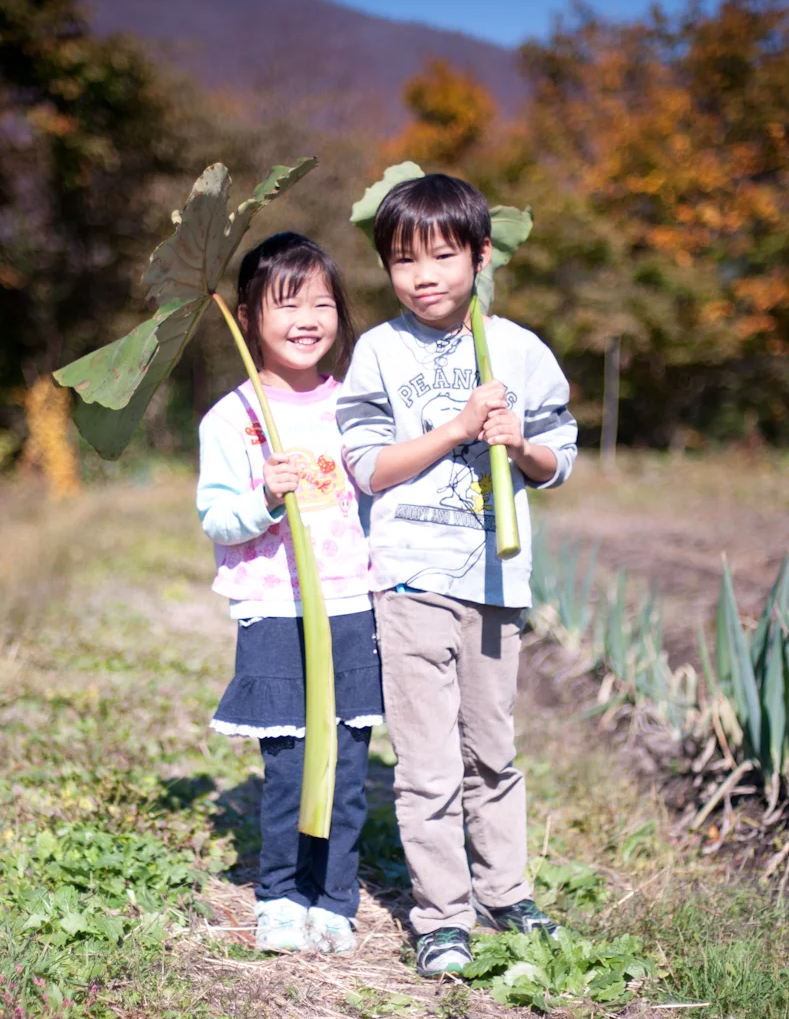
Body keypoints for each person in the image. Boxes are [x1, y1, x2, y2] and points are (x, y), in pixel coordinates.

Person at [337, 174, 578, 977]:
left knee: (491, 751)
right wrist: (456, 428)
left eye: (442, 256)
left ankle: (506, 892)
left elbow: (559, 458)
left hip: (495, 585)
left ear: (480, 257)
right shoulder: (378, 352)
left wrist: (518, 444)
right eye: (403, 260)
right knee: (427, 763)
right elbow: (368, 466)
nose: (423, 276)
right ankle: (442, 917)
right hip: (410, 580)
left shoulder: (520, 350)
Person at [197, 232, 383, 954]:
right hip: (274, 608)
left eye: (322, 303)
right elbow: (217, 518)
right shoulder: (231, 417)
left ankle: (335, 898)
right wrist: (265, 497)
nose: (307, 319)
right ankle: (280, 893)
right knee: (287, 764)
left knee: (348, 764)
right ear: (248, 317)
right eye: (286, 304)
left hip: (349, 604)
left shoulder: (357, 406)